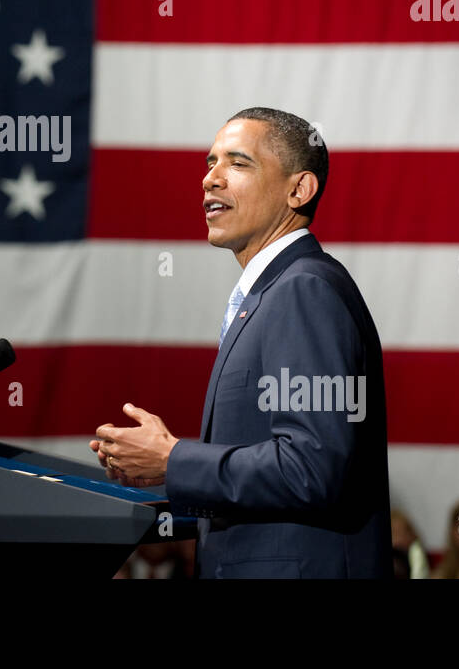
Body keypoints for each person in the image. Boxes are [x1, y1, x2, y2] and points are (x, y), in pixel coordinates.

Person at [90, 108, 391, 578]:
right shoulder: (271, 293)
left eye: (237, 163)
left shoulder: (303, 289)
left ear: (299, 189)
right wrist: (167, 471)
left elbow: (312, 467)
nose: (210, 179)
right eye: (209, 163)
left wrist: (175, 458)